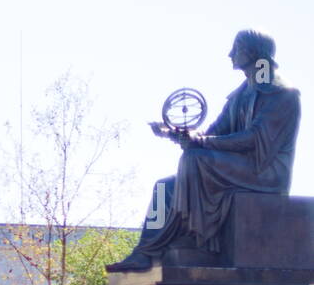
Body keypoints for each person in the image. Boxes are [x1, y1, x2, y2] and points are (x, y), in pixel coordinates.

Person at [109, 29, 301, 272]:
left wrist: (202, 143)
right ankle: (146, 251)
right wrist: (175, 133)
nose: (230, 54)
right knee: (164, 186)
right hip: (236, 169)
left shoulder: (282, 93)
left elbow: (253, 139)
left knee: (195, 158)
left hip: (265, 172)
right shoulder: (241, 93)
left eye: (237, 48)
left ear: (254, 52)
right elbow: (215, 131)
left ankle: (197, 237)